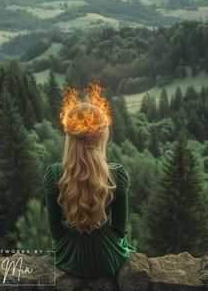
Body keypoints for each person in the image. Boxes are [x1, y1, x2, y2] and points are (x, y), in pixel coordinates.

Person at [43, 83, 137, 278]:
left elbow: (56, 232)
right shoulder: (117, 175)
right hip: (107, 256)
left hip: (69, 255)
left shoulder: (53, 174)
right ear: (101, 137)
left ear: (69, 138)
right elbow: (120, 230)